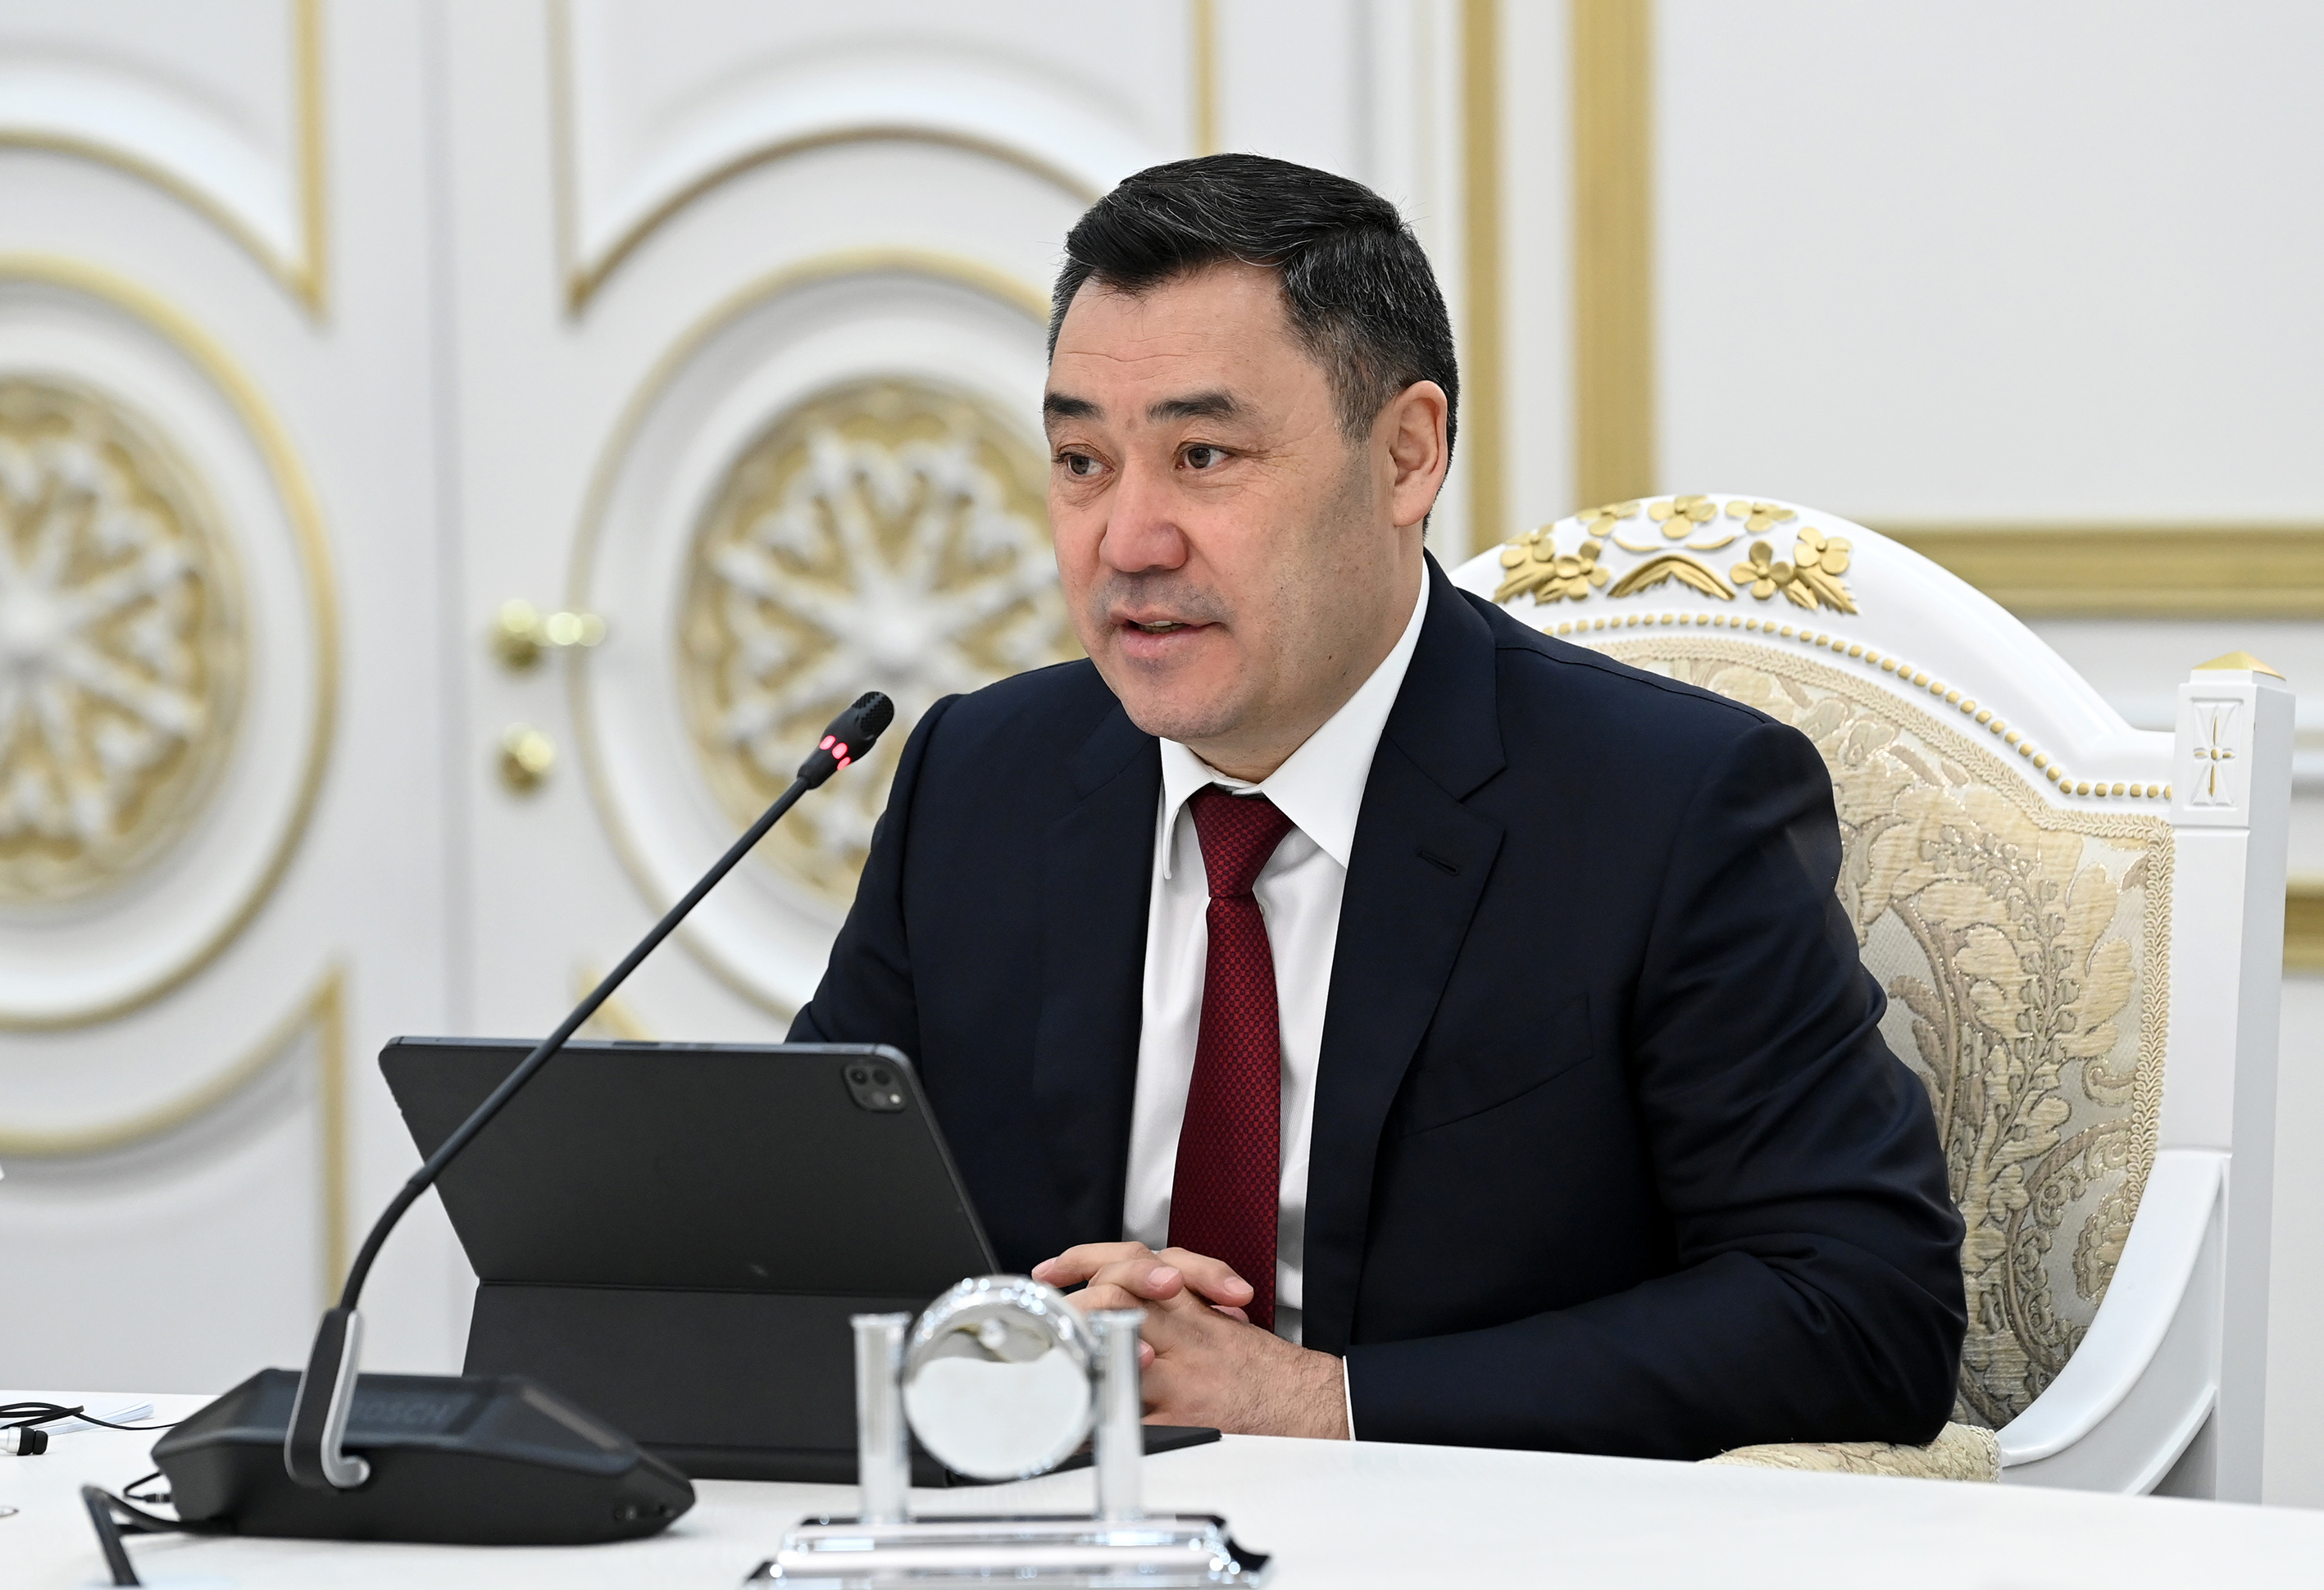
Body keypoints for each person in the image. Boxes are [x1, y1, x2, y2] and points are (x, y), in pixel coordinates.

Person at [789, 153, 1965, 1456]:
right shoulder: (977, 777)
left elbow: (1864, 1313)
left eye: (1203, 455)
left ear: (1407, 455)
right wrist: (1029, 1337)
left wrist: (1316, 1401)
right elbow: (793, 1236)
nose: (1127, 541)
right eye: (1081, 461)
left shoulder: (1666, 808)